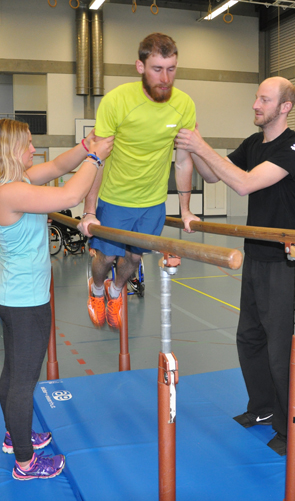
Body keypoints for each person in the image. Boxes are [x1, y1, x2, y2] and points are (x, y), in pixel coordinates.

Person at [174, 76, 295, 456]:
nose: (255, 104)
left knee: (284, 349)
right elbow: (212, 174)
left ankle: (291, 425)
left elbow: (246, 184)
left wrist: (202, 146)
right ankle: (263, 407)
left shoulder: (294, 145)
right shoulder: (254, 144)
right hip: (256, 254)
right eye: (256, 97)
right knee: (250, 339)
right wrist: (195, 146)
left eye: (264, 99)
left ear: (284, 107)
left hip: (287, 260)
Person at [0, 118, 113, 480]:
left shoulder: (13, 182)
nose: (33, 148)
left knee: (13, 374)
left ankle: (14, 435)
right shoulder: (10, 191)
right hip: (24, 300)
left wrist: (86, 147)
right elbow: (70, 195)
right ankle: (26, 462)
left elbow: (56, 167)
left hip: (14, 294)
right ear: (11, 149)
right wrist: (97, 159)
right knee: (23, 380)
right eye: (27, 143)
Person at [78, 32, 197, 329]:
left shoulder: (184, 105)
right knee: (105, 259)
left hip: (153, 203)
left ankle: (116, 291)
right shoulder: (117, 101)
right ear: (140, 67)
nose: (165, 78)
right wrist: (90, 210)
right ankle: (96, 289)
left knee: (132, 260)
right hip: (115, 198)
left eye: (171, 69)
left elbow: (183, 159)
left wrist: (185, 209)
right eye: (157, 69)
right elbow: (98, 158)